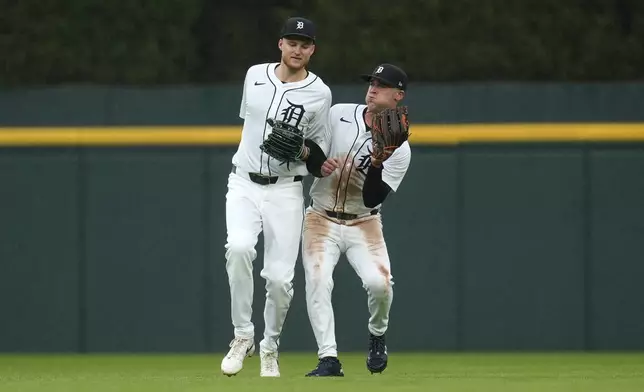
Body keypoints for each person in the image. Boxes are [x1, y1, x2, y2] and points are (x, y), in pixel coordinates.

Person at [221, 16, 331, 378]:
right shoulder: (254, 75)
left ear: (312, 50)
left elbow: (318, 157)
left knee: (281, 279)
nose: (298, 49)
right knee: (238, 248)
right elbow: (249, 126)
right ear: (280, 44)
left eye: (305, 44)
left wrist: (300, 150)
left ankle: (270, 346)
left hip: (285, 189)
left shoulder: (320, 93)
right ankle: (242, 336)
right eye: (292, 41)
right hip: (243, 182)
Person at [302, 64, 411, 377]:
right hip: (321, 216)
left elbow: (372, 198)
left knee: (380, 285)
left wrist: (378, 161)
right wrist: (320, 162)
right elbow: (311, 151)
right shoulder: (338, 113)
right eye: (372, 82)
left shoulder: (399, 148)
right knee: (318, 280)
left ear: (398, 95)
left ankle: (377, 335)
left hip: (364, 221)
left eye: (383, 84)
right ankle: (328, 359)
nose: (373, 88)